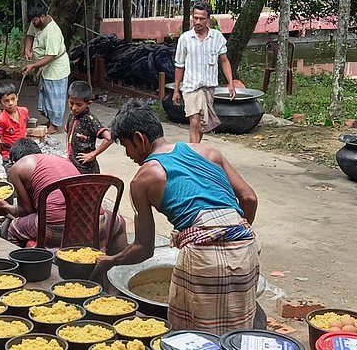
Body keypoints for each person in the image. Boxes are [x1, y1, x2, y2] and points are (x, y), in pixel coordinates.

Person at [95, 101, 259, 334]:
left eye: (126, 146)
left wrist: (112, 261)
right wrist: (232, 235)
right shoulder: (207, 152)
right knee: (236, 328)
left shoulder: (143, 179)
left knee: (194, 335)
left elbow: (144, 248)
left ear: (139, 139)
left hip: (203, 257)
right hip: (246, 246)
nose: (128, 155)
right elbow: (249, 199)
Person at [0, 138, 126, 252]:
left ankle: (27, 270)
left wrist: (5, 207)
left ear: (13, 161)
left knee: (13, 228)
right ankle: (114, 269)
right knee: (119, 222)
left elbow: (25, 211)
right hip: (95, 222)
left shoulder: (17, 168)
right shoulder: (62, 160)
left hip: (55, 229)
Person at [173, 2, 238, 144]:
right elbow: (179, 66)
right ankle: (193, 155)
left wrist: (230, 83)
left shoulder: (217, 38)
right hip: (191, 88)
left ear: (208, 19)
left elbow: (224, 61)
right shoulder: (185, 38)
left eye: (201, 19)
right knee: (194, 122)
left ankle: (195, 148)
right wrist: (176, 90)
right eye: (195, 18)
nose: (197, 22)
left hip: (208, 88)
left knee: (203, 124)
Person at [22, 5, 70, 135]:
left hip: (56, 67)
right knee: (46, 95)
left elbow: (51, 56)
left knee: (55, 97)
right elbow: (29, 36)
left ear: (42, 17)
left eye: (35, 20)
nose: (33, 23)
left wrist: (34, 65)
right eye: (32, 21)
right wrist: (27, 49)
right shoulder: (37, 23)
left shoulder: (52, 32)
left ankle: (54, 125)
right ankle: (50, 121)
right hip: (45, 67)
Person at [66, 80, 113, 175]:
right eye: (71, 103)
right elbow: (68, 132)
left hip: (87, 169)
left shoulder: (90, 120)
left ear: (88, 103)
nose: (74, 107)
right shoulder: (72, 115)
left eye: (79, 105)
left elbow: (110, 138)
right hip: (73, 165)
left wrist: (92, 154)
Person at [0, 82, 29, 166]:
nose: (10, 103)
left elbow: (24, 126)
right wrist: (4, 155)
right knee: (12, 177)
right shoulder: (1, 120)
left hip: (23, 152)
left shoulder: (24, 111)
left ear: (17, 97)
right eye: (6, 101)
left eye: (13, 99)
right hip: (9, 154)